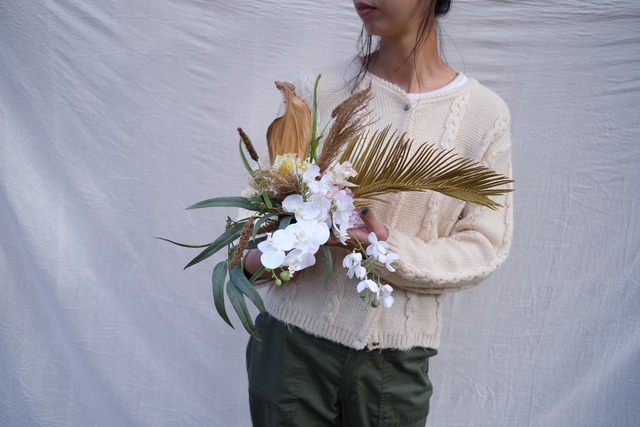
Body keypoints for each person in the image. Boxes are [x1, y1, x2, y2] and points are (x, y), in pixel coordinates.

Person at [243, 0, 513, 425]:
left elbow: (484, 246)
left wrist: (384, 249)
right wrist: (284, 247)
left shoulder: (483, 116)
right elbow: (254, 220)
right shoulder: (315, 89)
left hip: (395, 366)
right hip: (291, 354)